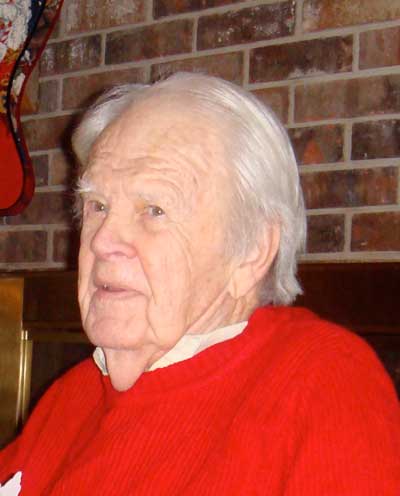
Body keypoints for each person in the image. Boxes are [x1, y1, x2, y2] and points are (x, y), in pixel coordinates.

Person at [0, 73, 399, 495]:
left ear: (253, 250)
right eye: (98, 205)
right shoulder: (71, 396)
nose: (101, 240)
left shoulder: (320, 383)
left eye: (153, 210)